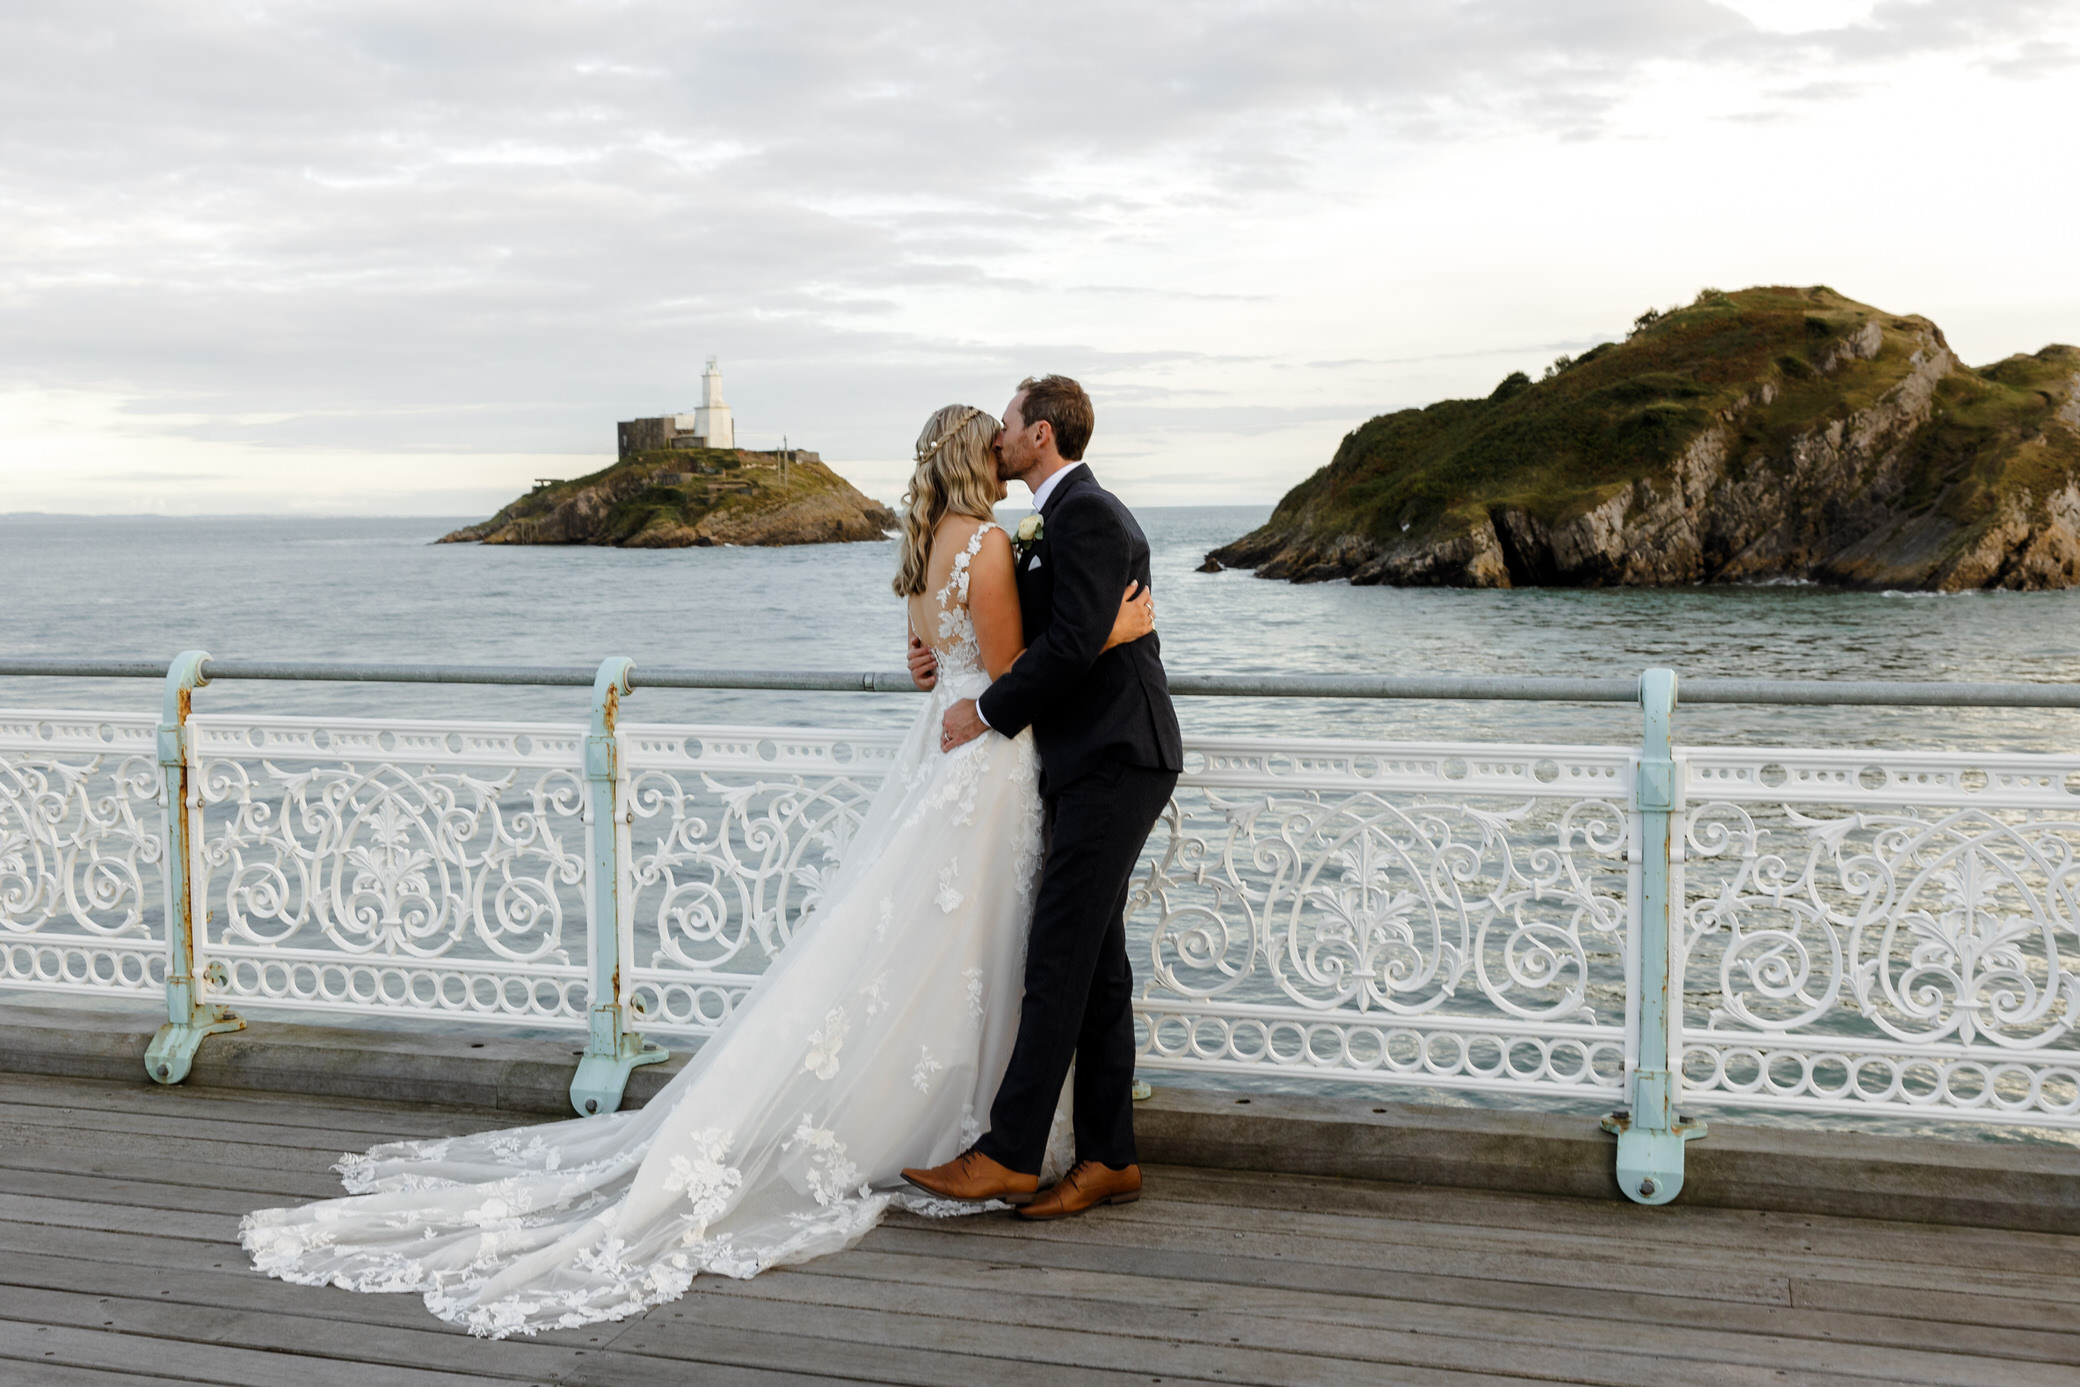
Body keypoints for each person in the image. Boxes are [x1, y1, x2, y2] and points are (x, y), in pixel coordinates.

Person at [239, 402, 1155, 1338]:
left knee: (937, 938)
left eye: (1014, 426)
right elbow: (1013, 670)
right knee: (980, 936)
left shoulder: (934, 547)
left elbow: (954, 656)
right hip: (983, 760)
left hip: (948, 747)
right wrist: (1108, 637)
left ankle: (986, 1127)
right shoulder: (992, 546)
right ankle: (985, 1129)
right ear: (981, 455)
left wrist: (966, 663)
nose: (1006, 440)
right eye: (995, 432)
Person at [903, 374, 1184, 1220]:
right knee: (1096, 965)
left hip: (1115, 756)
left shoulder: (1088, 512)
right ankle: (1109, 1157)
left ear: (1043, 435)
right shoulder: (1043, 521)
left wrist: (983, 708)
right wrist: (933, 658)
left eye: (1011, 422)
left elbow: (1063, 647)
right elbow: (1044, 631)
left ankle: (1009, 1153)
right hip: (1086, 756)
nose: (1001, 436)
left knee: (1058, 956)